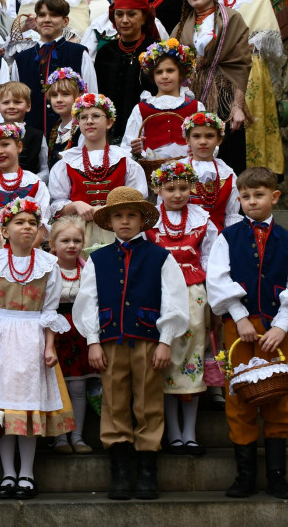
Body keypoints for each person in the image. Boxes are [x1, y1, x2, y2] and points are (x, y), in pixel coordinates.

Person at [74, 186, 189, 500]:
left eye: (131, 215)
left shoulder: (160, 257)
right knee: (113, 401)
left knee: (148, 402)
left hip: (149, 341)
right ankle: (121, 471)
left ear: (142, 220)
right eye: (119, 216)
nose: (125, 221)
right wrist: (93, 341)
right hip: (110, 341)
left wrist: (166, 340)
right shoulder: (98, 260)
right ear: (110, 222)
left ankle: (148, 468)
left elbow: (175, 301)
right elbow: (88, 301)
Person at [206, 166, 288, 500]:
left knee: (276, 395)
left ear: (274, 197)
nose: (252, 201)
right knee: (239, 397)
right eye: (246, 196)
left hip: (274, 329)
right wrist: (238, 316)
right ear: (239, 199)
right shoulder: (228, 238)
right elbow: (218, 279)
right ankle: (245, 475)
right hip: (237, 329)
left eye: (259, 195)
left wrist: (282, 325)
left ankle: (278, 475)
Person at [0, 197, 75, 500]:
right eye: (19, 222)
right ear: (4, 229)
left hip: (33, 339)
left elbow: (50, 311)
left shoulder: (48, 264)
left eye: (32, 222)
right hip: (2, 337)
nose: (27, 227)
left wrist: (50, 346)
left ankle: (27, 473)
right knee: (3, 409)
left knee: (28, 409)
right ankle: (7, 473)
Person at [146, 161, 219, 456]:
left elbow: (211, 263)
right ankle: (173, 432)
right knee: (166, 358)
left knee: (193, 358)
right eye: (170, 188)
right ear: (158, 189)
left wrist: (214, 303)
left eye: (183, 188)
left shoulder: (203, 219)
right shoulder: (149, 220)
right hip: (159, 292)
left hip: (194, 293)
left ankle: (189, 432)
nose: (177, 194)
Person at [173, 0, 253, 174]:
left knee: (230, 161)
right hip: (192, 98)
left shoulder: (230, 19)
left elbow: (240, 65)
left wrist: (237, 106)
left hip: (224, 97)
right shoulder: (181, 26)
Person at [48, 93, 147, 249]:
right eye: (83, 117)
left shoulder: (124, 160)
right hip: (80, 232)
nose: (89, 121)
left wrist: (112, 207)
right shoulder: (67, 162)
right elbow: (58, 205)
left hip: (118, 229)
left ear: (109, 122)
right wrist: (77, 205)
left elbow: (137, 200)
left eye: (95, 116)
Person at [219, 0, 285, 177]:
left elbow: (267, 34)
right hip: (220, 68)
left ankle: (255, 173)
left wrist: (246, 45)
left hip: (249, 65)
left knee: (250, 116)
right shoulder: (215, 1)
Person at [5, 0, 97, 138]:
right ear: (36, 20)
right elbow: (17, 101)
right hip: (32, 137)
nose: (47, 19)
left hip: (71, 136)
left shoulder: (79, 54)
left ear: (65, 21)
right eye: (42, 15)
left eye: (53, 15)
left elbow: (91, 96)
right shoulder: (21, 59)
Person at [48, 214, 98, 455]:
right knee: (57, 387)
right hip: (53, 333)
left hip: (80, 332)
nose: (71, 245)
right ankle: (59, 437)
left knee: (78, 388)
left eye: (77, 241)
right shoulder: (47, 269)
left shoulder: (88, 269)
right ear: (52, 244)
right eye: (65, 240)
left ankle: (77, 437)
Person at [119, 39, 204, 161]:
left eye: (170, 70)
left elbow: (207, 140)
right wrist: (136, 150)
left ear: (181, 73)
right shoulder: (142, 109)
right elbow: (127, 146)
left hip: (189, 171)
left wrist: (199, 150)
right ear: (152, 76)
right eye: (159, 72)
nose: (165, 76)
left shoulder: (196, 107)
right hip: (151, 172)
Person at [94, 0, 160, 144]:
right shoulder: (105, 52)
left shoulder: (155, 51)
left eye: (131, 14)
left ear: (144, 17)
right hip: (108, 133)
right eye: (119, 14)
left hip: (144, 133)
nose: (124, 20)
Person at [0, 123, 51, 246]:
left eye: (5, 145)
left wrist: (25, 251)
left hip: (28, 248)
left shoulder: (35, 183)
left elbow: (42, 226)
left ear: (19, 146)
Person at [178, 112, 244, 233]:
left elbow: (231, 215)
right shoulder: (177, 171)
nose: (203, 141)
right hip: (182, 239)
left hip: (218, 240)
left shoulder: (228, 174)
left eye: (209, 136)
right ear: (188, 140)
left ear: (219, 140)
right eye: (196, 136)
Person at [0, 82, 49, 180]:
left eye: (17, 102)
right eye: (6, 102)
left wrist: (30, 183)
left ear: (28, 106)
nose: (11, 106)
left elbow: (45, 169)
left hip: (30, 191)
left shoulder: (37, 136)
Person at [45, 68, 86, 169]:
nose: (59, 100)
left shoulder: (83, 129)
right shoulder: (56, 128)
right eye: (54, 95)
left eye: (65, 94)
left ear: (79, 96)